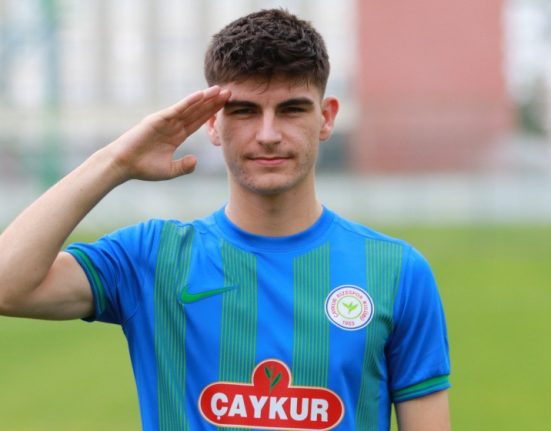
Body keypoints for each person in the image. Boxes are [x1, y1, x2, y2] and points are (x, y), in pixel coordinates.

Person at [0, 8, 451, 431]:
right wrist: (115, 162)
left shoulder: (396, 272)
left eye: (291, 109)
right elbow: (7, 284)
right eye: (244, 111)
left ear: (326, 117)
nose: (269, 135)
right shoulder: (152, 257)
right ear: (213, 124)